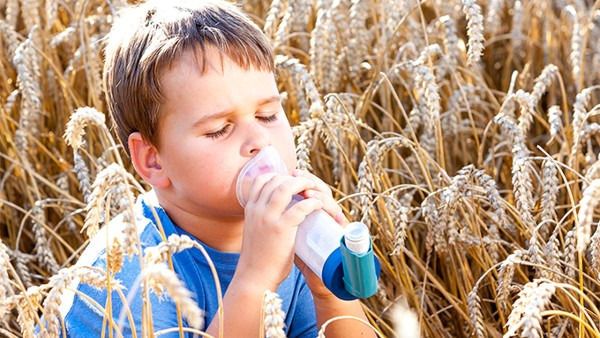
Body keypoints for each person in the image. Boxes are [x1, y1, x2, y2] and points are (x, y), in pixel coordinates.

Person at [57, 0, 375, 337]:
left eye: (267, 115)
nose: (259, 140)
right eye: (218, 130)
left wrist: (328, 291)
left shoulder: (291, 235)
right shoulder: (125, 280)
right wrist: (256, 279)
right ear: (153, 160)